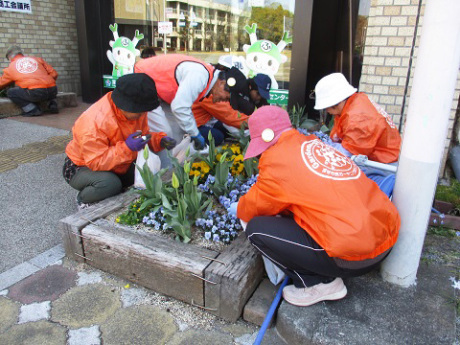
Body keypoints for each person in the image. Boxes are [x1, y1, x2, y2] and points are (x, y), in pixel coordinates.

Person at [234, 106, 400, 307]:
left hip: (354, 258)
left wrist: (237, 206)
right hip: (385, 241)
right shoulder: (312, 143)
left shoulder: (277, 161)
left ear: (266, 139)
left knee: (256, 230)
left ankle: (318, 283)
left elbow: (249, 209)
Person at [63, 73, 176, 208]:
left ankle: (112, 190)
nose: (143, 115)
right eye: (140, 112)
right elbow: (96, 161)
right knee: (110, 184)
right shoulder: (94, 122)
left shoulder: (133, 112)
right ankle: (84, 199)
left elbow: (142, 137)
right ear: (125, 105)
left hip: (115, 161)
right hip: (80, 166)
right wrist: (127, 148)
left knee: (145, 172)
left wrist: (159, 140)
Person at [134, 54, 249, 150]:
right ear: (222, 83)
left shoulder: (207, 78)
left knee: (176, 134)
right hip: (141, 80)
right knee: (165, 133)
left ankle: (170, 165)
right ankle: (157, 166)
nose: (225, 100)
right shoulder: (200, 77)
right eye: (228, 97)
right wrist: (195, 134)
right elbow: (179, 107)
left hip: (158, 91)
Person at [314, 72, 401, 164]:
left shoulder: (358, 119)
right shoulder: (355, 101)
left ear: (335, 102)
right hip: (381, 156)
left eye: (325, 107)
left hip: (383, 163)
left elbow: (349, 153)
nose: (326, 110)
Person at [191, 73, 272, 145]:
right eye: (258, 93)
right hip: (193, 125)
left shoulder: (232, 88)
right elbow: (229, 116)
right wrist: (259, 123)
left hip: (206, 120)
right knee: (217, 137)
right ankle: (190, 145)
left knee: (226, 131)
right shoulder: (212, 92)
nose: (259, 97)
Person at [0, 45, 59, 117]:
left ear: (10, 57)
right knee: (48, 85)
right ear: (21, 53)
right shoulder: (37, 59)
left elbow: (1, 83)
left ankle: (32, 109)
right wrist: (45, 82)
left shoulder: (11, 67)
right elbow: (54, 74)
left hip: (35, 93)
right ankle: (53, 103)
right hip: (53, 90)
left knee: (11, 92)